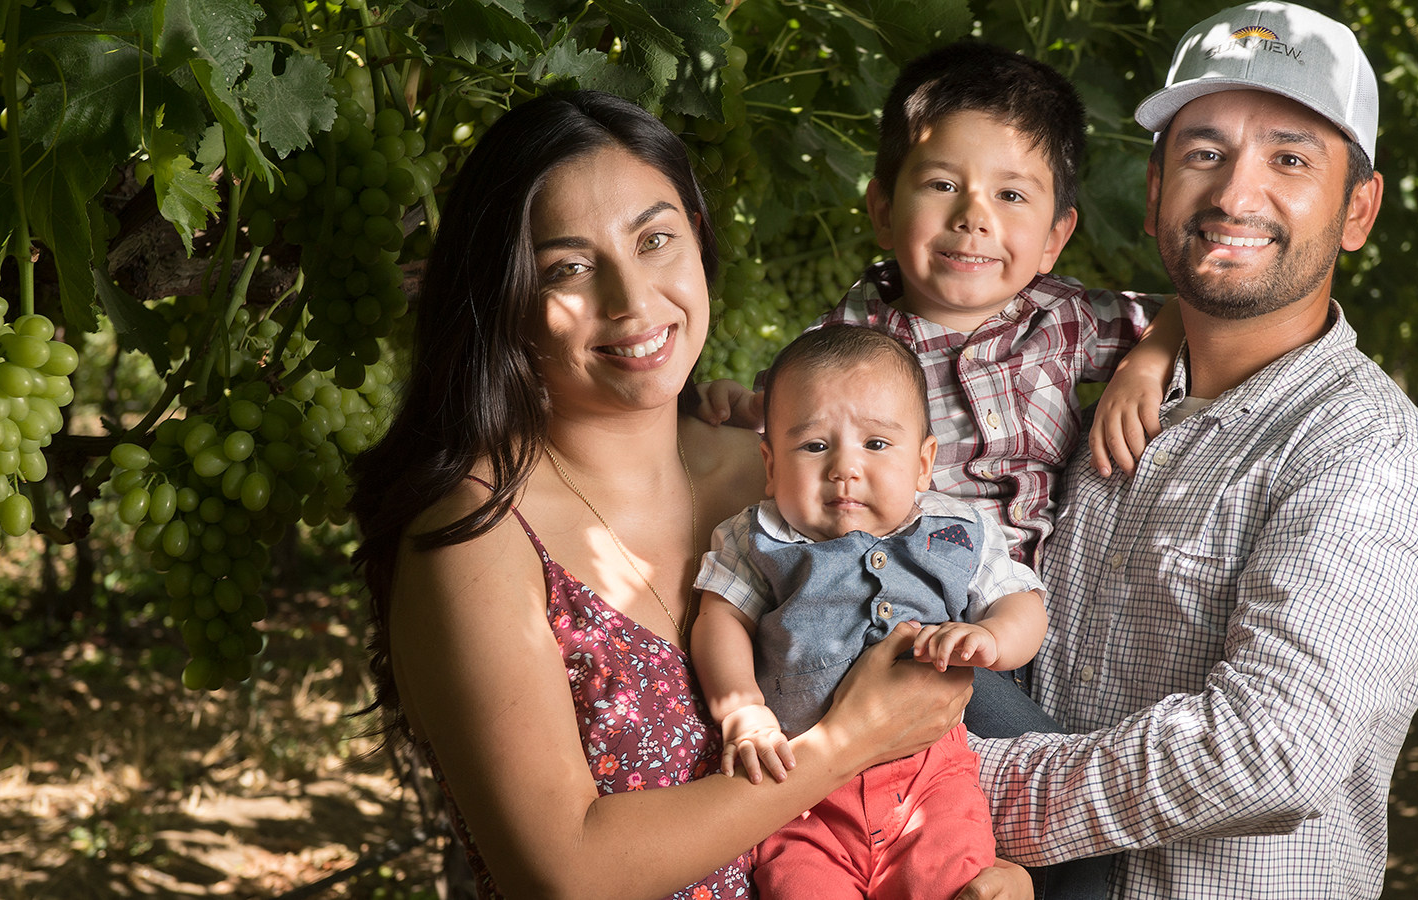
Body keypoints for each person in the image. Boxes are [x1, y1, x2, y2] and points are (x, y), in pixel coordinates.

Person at [346, 91, 1023, 900]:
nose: (632, 301)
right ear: (505, 299)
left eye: (655, 240)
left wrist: (999, 868)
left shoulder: (782, 479)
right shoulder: (476, 535)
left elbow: (953, 689)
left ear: (698, 243)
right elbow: (567, 871)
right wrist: (843, 742)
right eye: (568, 267)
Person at [967, 3, 1418, 898]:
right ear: (1159, 183)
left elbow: (1270, 747)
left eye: (1290, 158)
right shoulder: (1096, 404)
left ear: (1358, 209)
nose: (1236, 195)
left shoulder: (1372, 459)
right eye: (1205, 153)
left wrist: (948, 789)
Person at [695, 42, 1184, 567]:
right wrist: (733, 408)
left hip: (1020, 609)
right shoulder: (845, 346)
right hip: (889, 592)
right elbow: (786, 435)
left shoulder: (1065, 319)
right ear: (883, 211)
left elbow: (1189, 314)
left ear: (1054, 238)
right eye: (942, 184)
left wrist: (1146, 363)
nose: (973, 217)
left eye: (1011, 195)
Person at [692, 325, 1048, 899]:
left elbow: (1022, 601)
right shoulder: (758, 537)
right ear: (770, 463)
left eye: (876, 445)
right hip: (800, 795)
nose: (844, 468)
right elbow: (719, 620)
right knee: (798, 885)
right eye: (813, 446)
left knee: (952, 880)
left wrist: (991, 637)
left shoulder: (955, 532)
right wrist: (743, 712)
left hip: (931, 780)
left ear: (924, 462)